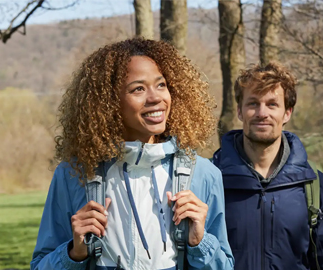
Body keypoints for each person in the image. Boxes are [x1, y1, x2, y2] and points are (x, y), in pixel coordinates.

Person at [31, 38, 234, 270]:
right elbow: (40, 265)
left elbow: (224, 266)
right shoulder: (73, 174)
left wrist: (199, 242)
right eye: (138, 89)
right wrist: (74, 253)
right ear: (108, 103)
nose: (156, 98)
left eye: (161, 85)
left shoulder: (205, 174)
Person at [212, 62, 323, 270]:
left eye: (272, 104)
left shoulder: (314, 186)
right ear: (239, 111)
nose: (262, 113)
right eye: (253, 104)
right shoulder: (211, 180)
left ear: (287, 113)